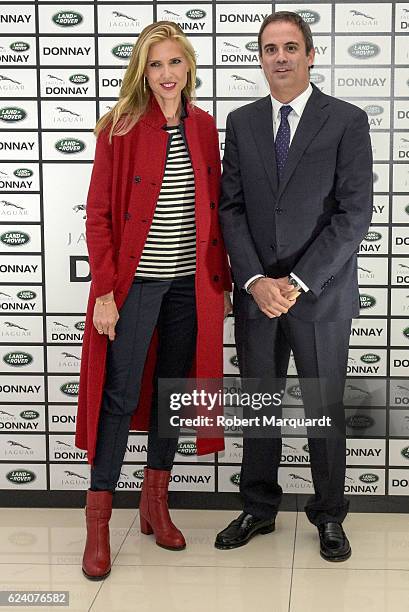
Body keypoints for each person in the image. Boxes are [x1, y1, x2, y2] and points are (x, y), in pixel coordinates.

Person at [75, 21, 232, 580]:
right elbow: (97, 217)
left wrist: (223, 281)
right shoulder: (118, 128)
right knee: (118, 395)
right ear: (143, 71)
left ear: (188, 66)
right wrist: (106, 292)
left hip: (191, 286)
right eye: (155, 65)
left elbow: (214, 211)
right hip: (134, 285)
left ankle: (154, 503)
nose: (166, 75)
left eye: (175, 63)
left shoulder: (205, 126)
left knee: (172, 393)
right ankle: (98, 523)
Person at [216, 11, 373, 561]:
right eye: (268, 49)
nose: (279, 57)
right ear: (260, 59)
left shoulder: (347, 121)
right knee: (261, 405)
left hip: (321, 295)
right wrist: (257, 280)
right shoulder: (241, 122)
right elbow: (229, 208)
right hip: (258, 296)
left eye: (289, 47)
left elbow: (354, 214)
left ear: (311, 55)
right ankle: (258, 508)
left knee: (322, 408)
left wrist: (299, 281)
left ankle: (330, 515)